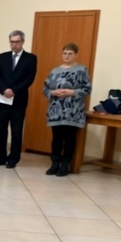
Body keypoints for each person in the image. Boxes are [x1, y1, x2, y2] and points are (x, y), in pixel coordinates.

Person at [42, 43, 92, 177]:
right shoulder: (54, 71)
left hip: (73, 111)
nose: (67, 56)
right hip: (56, 110)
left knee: (69, 138)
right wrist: (53, 92)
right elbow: (45, 88)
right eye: (65, 53)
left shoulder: (82, 70)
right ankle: (54, 163)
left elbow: (87, 89)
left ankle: (65, 164)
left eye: (70, 54)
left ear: (75, 55)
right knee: (57, 138)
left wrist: (71, 92)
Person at [0, 30, 37, 168]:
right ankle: (0, 157)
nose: (14, 44)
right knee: (0, 130)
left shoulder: (30, 58)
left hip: (18, 100)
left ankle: (13, 158)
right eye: (12, 42)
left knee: (16, 132)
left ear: (22, 42)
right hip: (2, 99)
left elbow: (30, 78)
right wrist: (4, 89)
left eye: (17, 42)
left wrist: (14, 90)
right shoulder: (3, 56)